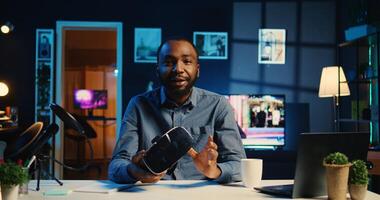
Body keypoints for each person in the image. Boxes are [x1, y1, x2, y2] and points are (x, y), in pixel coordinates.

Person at [108, 37, 246, 184]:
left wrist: (214, 170)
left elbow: (239, 165)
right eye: (168, 63)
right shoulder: (138, 105)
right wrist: (133, 171)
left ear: (197, 70)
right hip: (152, 193)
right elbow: (116, 165)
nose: (178, 69)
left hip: (201, 193)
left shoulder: (218, 105)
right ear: (157, 70)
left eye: (186, 61)